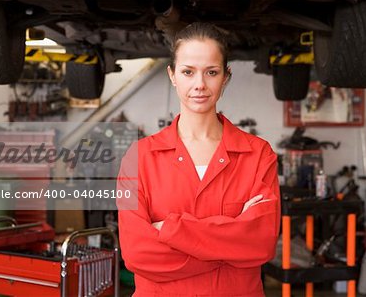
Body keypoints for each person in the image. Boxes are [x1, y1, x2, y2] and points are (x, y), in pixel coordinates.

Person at [117, 22, 281, 297]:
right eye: (188, 72)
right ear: (172, 75)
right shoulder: (139, 158)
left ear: (226, 76)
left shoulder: (258, 155)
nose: (199, 85)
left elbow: (261, 243)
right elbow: (137, 254)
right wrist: (230, 243)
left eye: (212, 72)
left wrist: (170, 229)